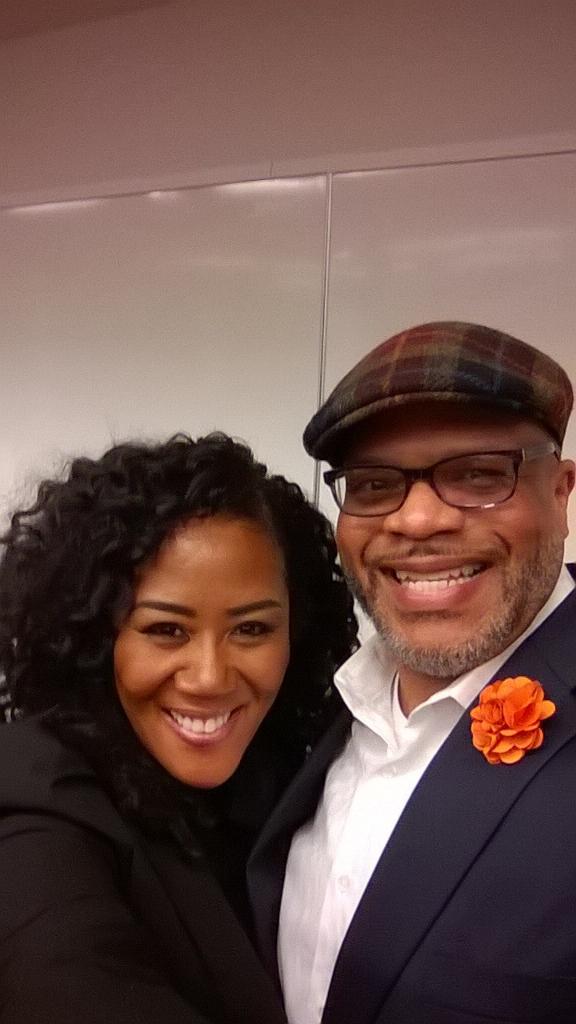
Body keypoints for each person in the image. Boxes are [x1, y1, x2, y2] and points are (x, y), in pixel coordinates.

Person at [248, 321, 576, 1024]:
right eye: (374, 484)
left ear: (561, 491)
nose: (419, 520)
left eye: (479, 474)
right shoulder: (314, 705)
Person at [0, 432, 357, 1024]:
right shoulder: (36, 811)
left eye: (251, 630)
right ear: (94, 638)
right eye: (166, 631)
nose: (210, 677)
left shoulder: (290, 779)